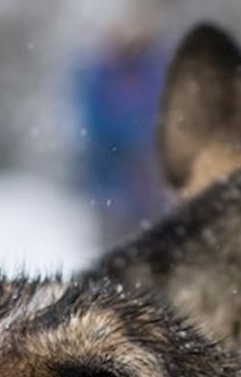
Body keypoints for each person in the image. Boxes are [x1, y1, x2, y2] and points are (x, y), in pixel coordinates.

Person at [73, 20, 170, 243]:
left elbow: (162, 108)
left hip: (146, 173)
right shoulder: (99, 72)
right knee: (114, 233)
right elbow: (93, 119)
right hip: (112, 169)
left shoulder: (153, 67)